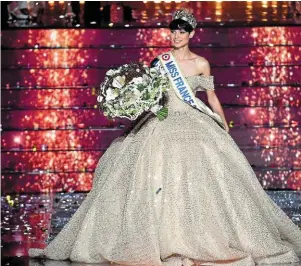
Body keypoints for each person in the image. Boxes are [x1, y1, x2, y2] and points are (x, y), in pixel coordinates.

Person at [29, 8, 301, 266]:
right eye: (174, 30)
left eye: (183, 31)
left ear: (192, 34)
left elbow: (211, 98)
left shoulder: (201, 64)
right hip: (162, 118)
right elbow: (150, 95)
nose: (177, 35)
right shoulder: (161, 61)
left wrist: (223, 126)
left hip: (193, 122)